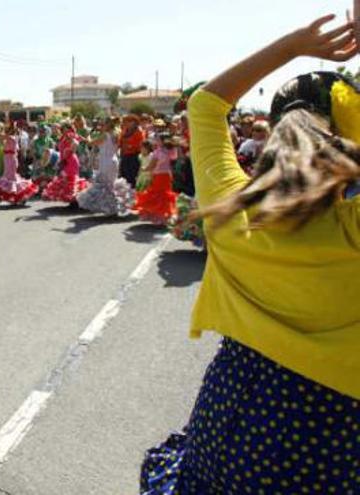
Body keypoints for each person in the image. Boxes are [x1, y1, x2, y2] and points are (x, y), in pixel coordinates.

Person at [141, 14, 360, 494]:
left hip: (228, 413)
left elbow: (205, 105)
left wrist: (295, 45)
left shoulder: (230, 207)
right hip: (329, 433)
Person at [76, 118, 135, 216]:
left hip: (106, 161)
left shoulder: (105, 135)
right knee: (111, 185)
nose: (101, 127)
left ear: (108, 125)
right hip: (114, 160)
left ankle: (109, 208)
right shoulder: (116, 134)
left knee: (104, 185)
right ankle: (113, 207)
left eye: (103, 125)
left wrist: (87, 137)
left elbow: (91, 143)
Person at [0, 126, 37, 204]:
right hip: (7, 159)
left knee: (11, 178)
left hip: (11, 160)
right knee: (7, 178)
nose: (5, 132)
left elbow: (3, 136)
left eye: (7, 130)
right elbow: (1, 140)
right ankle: (13, 197)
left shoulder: (12, 137)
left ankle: (18, 196)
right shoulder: (8, 138)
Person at [133, 133, 178, 224]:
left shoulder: (158, 152)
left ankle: (158, 217)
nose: (155, 141)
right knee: (164, 195)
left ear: (161, 141)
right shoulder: (170, 150)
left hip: (158, 175)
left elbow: (152, 165)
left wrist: (144, 169)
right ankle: (164, 216)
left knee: (156, 194)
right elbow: (174, 158)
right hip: (167, 175)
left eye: (157, 139)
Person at [42, 125, 88, 203]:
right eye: (63, 129)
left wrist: (70, 150)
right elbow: (60, 149)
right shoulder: (62, 137)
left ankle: (75, 200)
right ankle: (72, 200)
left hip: (71, 161)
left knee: (71, 179)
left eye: (67, 129)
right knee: (65, 180)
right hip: (64, 160)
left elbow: (76, 144)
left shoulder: (72, 136)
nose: (65, 131)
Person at [119, 114, 145, 187]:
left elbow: (140, 144)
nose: (126, 123)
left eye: (129, 121)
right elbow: (120, 141)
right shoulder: (125, 131)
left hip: (134, 156)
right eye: (126, 121)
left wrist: (130, 146)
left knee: (132, 175)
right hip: (124, 155)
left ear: (135, 122)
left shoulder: (138, 131)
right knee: (124, 175)